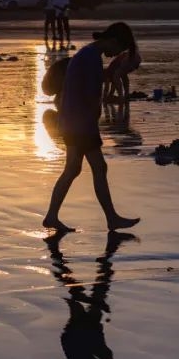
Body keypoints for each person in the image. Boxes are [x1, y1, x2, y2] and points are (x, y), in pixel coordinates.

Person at [42, 22, 141, 232]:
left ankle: (52, 216)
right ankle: (111, 218)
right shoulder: (90, 58)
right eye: (118, 50)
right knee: (94, 168)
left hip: (73, 121)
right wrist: (92, 118)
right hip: (80, 123)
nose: (115, 55)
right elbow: (89, 94)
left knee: (75, 169)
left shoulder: (88, 54)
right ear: (112, 40)